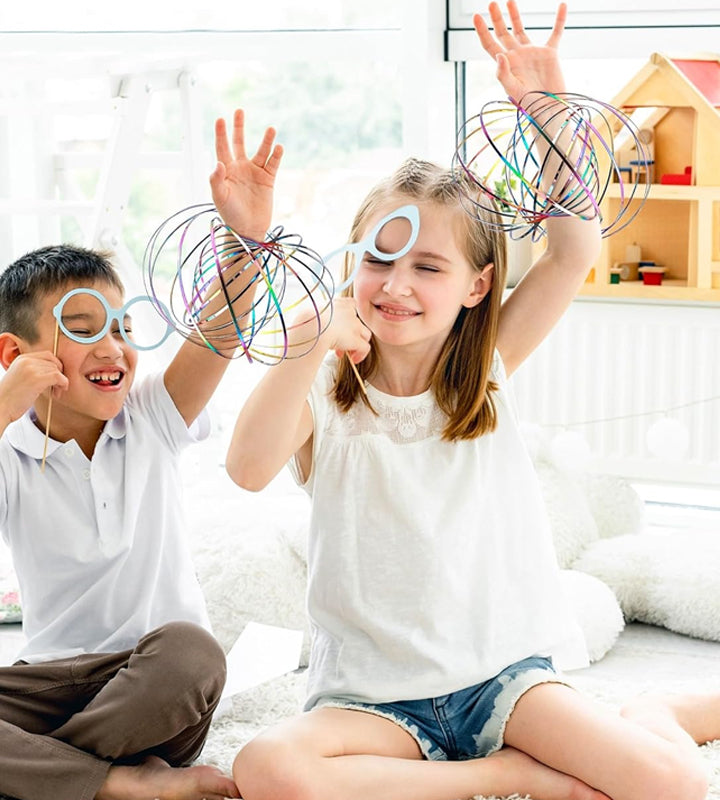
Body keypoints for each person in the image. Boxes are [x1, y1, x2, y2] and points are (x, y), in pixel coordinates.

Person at [224, 4, 717, 800]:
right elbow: (247, 469)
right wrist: (311, 336)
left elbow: (574, 250)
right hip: (371, 702)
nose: (397, 285)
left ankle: (650, 710)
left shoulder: (486, 367)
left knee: (674, 786)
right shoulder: (322, 385)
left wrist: (547, 112)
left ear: (476, 285)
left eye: (428, 267)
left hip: (503, 678)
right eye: (379, 259)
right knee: (266, 768)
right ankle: (501, 776)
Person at [0, 109, 282, 800]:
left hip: (154, 688)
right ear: (14, 354)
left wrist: (249, 241)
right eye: (84, 330)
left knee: (193, 651)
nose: (113, 346)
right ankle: (118, 786)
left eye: (122, 326)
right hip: (51, 680)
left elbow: (219, 335)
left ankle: (10, 778)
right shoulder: (5, 450)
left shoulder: (151, 416)